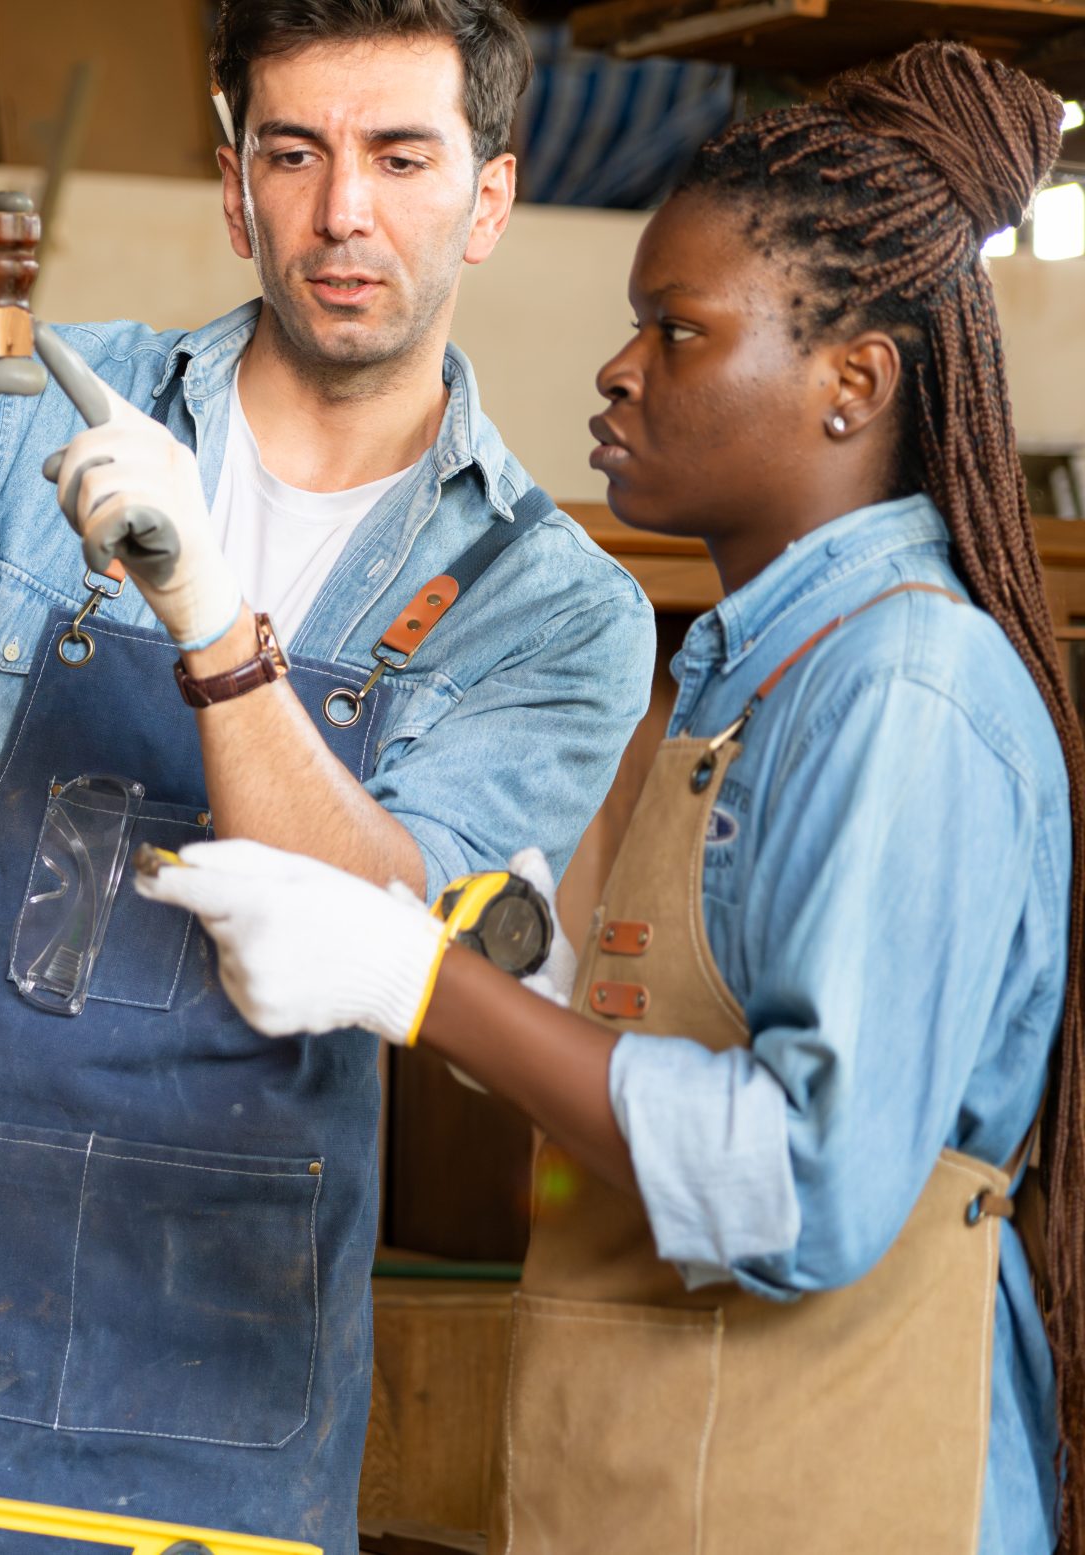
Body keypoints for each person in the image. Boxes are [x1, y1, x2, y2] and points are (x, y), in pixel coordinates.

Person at [0, 0, 655, 1545]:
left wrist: (213, 619)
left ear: (488, 198)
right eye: (294, 153)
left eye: (401, 155)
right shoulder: (24, 409)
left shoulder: (553, 606)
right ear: (236, 185)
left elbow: (399, 940)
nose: (344, 209)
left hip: (219, 1381)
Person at [145, 41, 1080, 1555]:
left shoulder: (904, 690)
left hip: (849, 1492)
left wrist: (422, 984)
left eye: (676, 330)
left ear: (856, 383)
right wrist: (531, 970)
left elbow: (805, 1182)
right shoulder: (753, 676)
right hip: (680, 1484)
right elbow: (689, 1067)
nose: (618, 366)